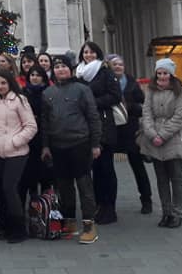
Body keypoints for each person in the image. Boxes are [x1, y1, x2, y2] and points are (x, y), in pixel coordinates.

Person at [41, 53, 101, 245]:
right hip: (58, 146)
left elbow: (93, 117)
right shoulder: (48, 93)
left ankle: (89, 225)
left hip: (80, 143)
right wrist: (45, 146)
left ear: (71, 69)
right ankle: (69, 221)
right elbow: (45, 122)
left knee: (84, 185)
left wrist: (95, 143)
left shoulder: (82, 89)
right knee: (64, 186)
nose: (60, 70)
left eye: (64, 66)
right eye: (57, 67)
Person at [139, 58, 182, 228]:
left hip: (173, 139)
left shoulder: (180, 91)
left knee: (176, 178)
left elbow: (180, 116)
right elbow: (146, 113)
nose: (162, 76)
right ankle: (166, 212)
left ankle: (177, 213)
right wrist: (151, 133)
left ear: (171, 74)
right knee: (161, 179)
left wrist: (162, 135)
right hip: (154, 139)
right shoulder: (150, 90)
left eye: (165, 73)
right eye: (159, 73)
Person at [76, 40, 122, 225]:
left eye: (92, 52)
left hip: (103, 126)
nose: (88, 55)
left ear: (98, 54)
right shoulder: (78, 73)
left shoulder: (105, 72)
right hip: (84, 127)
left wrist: (93, 103)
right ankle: (98, 205)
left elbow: (115, 96)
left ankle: (109, 207)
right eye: (85, 52)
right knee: (93, 169)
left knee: (106, 168)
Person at [0, 69, 36, 244]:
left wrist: (15, 142)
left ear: (10, 83)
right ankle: (7, 226)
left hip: (16, 152)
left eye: (3, 83)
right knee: (2, 191)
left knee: (10, 188)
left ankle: (19, 229)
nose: (0, 86)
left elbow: (31, 126)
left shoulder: (19, 100)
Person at [108, 55, 153, 214]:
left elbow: (142, 103)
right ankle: (108, 203)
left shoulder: (132, 82)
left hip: (130, 131)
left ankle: (146, 199)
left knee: (137, 165)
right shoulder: (104, 83)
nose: (118, 67)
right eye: (114, 64)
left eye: (120, 64)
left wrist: (130, 107)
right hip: (111, 130)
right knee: (107, 169)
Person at [18, 65, 54, 207]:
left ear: (43, 77)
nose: (35, 78)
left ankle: (46, 209)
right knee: (27, 177)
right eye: (32, 75)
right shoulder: (23, 93)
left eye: (38, 75)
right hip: (27, 139)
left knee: (45, 177)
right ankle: (30, 208)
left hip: (45, 137)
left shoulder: (49, 92)